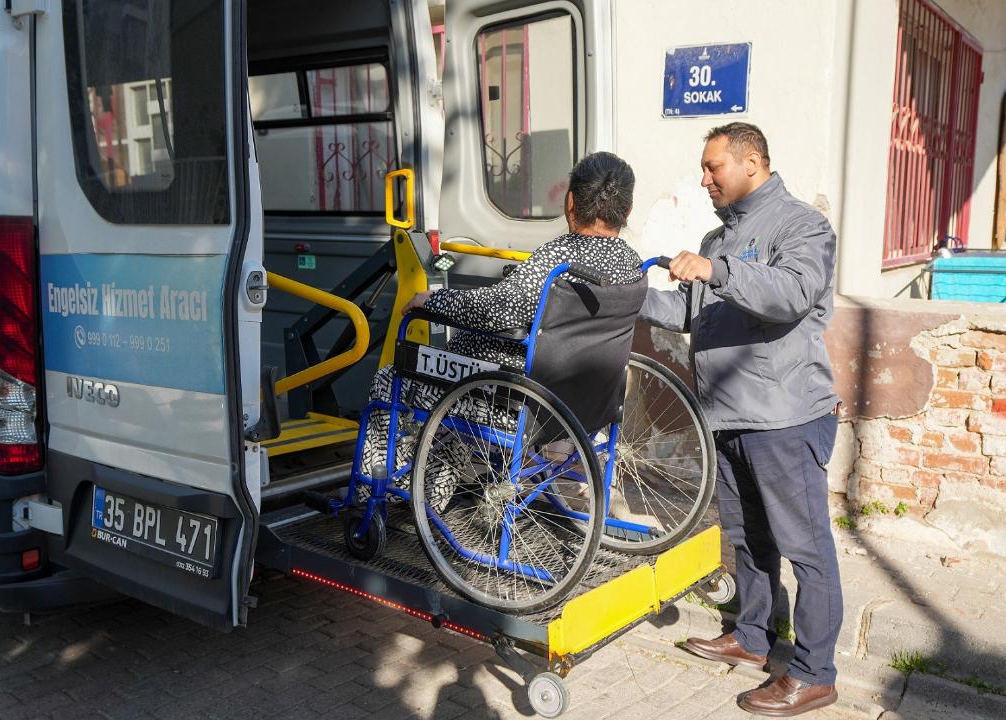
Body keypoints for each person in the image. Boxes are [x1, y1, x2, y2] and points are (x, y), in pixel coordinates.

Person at [639, 122, 842, 717]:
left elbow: (790, 295)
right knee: (749, 541)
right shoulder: (718, 235)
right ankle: (753, 639)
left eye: (713, 168)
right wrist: (627, 295)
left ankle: (814, 673)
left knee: (806, 549)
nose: (704, 179)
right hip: (727, 416)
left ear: (751, 163)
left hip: (782, 418)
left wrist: (714, 270)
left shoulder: (802, 225)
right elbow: (689, 311)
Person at [359, 151, 643, 504]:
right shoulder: (632, 264)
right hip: (585, 406)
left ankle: (371, 493)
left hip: (516, 405)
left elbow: (499, 310)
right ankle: (427, 495)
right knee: (452, 386)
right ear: (626, 210)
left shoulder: (557, 260)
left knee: (392, 379)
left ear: (570, 201)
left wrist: (432, 301)